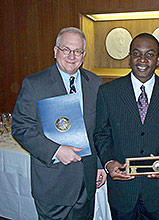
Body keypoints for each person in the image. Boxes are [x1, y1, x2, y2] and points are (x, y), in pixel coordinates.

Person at [11, 27, 106, 220]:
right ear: (55, 51)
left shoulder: (95, 83)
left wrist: (99, 164)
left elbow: (99, 130)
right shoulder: (35, 84)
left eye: (77, 51)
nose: (72, 56)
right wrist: (55, 151)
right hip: (52, 184)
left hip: (86, 184)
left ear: (84, 55)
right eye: (66, 49)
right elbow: (21, 128)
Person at [94, 33, 159, 220]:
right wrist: (109, 162)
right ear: (129, 58)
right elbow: (101, 134)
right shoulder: (107, 92)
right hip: (122, 189)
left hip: (155, 190)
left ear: (158, 60)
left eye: (150, 54)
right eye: (137, 53)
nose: (142, 60)